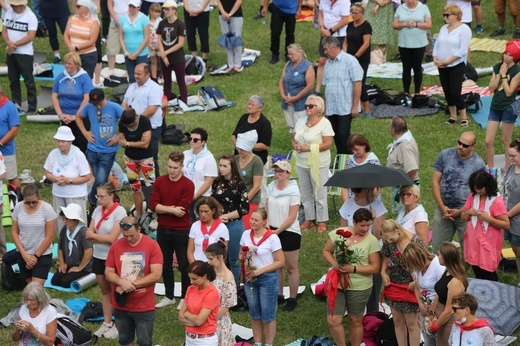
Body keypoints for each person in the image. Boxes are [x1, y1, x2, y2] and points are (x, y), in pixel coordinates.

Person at [322, 209, 381, 346]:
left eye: (368, 225)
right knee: (333, 320)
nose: (366, 229)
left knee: (355, 320)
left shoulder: (372, 241)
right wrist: (334, 263)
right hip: (337, 283)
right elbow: (326, 251)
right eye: (362, 225)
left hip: (360, 286)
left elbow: (375, 268)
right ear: (354, 222)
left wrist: (353, 269)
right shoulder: (339, 233)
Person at [105, 217, 163, 346]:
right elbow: (108, 272)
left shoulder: (152, 245)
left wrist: (130, 284)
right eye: (125, 236)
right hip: (121, 303)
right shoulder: (116, 245)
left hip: (143, 305)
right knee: (125, 340)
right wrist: (120, 281)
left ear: (139, 229)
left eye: (132, 235)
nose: (129, 239)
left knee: (144, 341)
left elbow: (156, 274)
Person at [150, 151, 195, 309]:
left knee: (184, 264)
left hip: (182, 230)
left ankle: (185, 295)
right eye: (169, 167)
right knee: (164, 263)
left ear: (182, 166)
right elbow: (153, 205)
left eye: (175, 167)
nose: (171, 170)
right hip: (163, 229)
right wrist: (171, 209)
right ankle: (169, 295)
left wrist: (163, 209)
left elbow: (182, 209)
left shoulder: (188, 184)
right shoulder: (160, 181)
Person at [431, 132, 485, 254]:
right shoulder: (445, 155)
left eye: (465, 145)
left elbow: (479, 193)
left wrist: (461, 211)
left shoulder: (478, 164)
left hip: (465, 213)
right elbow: (435, 181)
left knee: (468, 251)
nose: (460, 147)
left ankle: (459, 273)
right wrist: (442, 207)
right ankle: (441, 272)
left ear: (473, 146)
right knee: (437, 250)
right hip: (443, 211)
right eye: (459, 143)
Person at [85, 182, 127, 339]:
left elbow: (112, 239)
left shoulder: (119, 211)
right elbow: (89, 233)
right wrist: (96, 237)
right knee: (104, 290)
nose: (99, 199)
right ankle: (107, 322)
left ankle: (119, 323)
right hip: (99, 255)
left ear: (111, 196)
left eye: (102, 196)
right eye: (97, 196)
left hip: (114, 257)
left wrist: (95, 237)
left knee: (116, 290)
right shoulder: (97, 210)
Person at [240, 208, 284, 346]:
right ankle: (258, 342)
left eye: (256, 220)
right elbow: (240, 254)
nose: (252, 222)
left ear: (264, 222)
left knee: (268, 314)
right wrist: (244, 262)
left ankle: (269, 343)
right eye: (251, 219)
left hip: (267, 279)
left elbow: (280, 261)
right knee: (254, 313)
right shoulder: (246, 234)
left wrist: (260, 271)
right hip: (250, 279)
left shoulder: (272, 238)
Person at [76, 88, 124, 212]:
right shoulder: (89, 107)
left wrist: (118, 136)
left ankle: (92, 200)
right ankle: (96, 203)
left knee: (101, 180)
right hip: (92, 150)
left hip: (108, 152)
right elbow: (78, 117)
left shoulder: (114, 107)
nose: (97, 106)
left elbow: (128, 121)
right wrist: (85, 133)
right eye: (95, 104)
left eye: (100, 104)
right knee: (97, 178)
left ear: (105, 98)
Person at [456, 171, 509, 281]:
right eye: (476, 188)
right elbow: (463, 217)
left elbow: (506, 224)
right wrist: (468, 212)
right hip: (473, 241)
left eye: (481, 188)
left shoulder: (496, 201)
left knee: (488, 272)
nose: (478, 191)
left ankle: (494, 293)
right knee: (477, 269)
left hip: (488, 242)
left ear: (488, 186)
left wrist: (488, 219)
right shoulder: (473, 196)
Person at [293, 95, 334, 233]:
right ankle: (309, 219)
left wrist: (308, 148)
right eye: (306, 106)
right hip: (301, 162)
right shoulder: (301, 121)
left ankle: (322, 220)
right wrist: (296, 145)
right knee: (305, 192)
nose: (307, 108)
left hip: (319, 163)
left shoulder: (325, 123)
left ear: (319, 109)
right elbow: (294, 138)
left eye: (311, 106)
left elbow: (328, 144)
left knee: (319, 192)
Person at [381, 220, 425, 346]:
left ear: (397, 231)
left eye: (390, 239)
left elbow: (424, 264)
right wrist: (383, 272)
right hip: (395, 284)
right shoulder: (389, 241)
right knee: (397, 321)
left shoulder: (415, 241)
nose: (389, 242)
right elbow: (385, 257)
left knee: (412, 323)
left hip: (411, 286)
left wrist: (416, 282)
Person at [266, 160, 301, 312]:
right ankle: (279, 294)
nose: (278, 174)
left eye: (281, 171)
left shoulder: (294, 191)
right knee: (277, 266)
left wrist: (276, 231)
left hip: (289, 232)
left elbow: (292, 217)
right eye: (276, 171)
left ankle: (292, 298)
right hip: (272, 229)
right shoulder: (270, 187)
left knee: (291, 267)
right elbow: (266, 207)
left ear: (288, 174)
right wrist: (267, 225)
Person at [44, 126, 92, 235]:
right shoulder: (53, 154)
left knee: (77, 223)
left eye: (63, 141)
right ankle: (62, 246)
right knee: (61, 222)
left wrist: (69, 181)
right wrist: (56, 179)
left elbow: (87, 176)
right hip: (58, 194)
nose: (60, 144)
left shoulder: (78, 155)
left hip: (75, 195)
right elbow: (47, 172)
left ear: (70, 141)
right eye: (58, 141)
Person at [211, 153, 249, 286]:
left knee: (233, 259)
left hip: (233, 224)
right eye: (220, 165)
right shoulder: (217, 181)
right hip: (218, 223)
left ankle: (235, 288)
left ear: (232, 167)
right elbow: (212, 200)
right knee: (216, 257)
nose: (221, 168)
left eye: (225, 166)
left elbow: (244, 208)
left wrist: (226, 216)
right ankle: (217, 285)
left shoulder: (239, 184)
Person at [322, 36, 363, 155]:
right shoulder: (328, 63)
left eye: (326, 49)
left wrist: (355, 106)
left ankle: (348, 160)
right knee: (335, 134)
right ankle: (341, 159)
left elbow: (358, 84)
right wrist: (326, 109)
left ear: (334, 47)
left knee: (343, 134)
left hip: (345, 107)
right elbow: (327, 87)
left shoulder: (350, 61)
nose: (325, 52)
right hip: (332, 107)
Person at [121, 63, 164, 178]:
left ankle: (155, 184)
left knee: (150, 158)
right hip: (132, 127)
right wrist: (127, 116)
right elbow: (124, 103)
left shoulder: (154, 88)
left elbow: (152, 109)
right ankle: (138, 180)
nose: (136, 76)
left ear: (147, 74)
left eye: (139, 74)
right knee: (134, 155)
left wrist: (136, 121)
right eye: (135, 73)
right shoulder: (132, 86)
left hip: (151, 128)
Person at [433, 4, 472, 127]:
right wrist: (435, 58)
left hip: (455, 65)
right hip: (442, 65)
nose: (445, 17)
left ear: (456, 15)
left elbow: (462, 50)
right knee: (447, 91)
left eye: (447, 15)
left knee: (455, 92)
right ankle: (452, 115)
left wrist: (447, 61)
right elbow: (437, 44)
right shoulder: (443, 28)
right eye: (444, 15)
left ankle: (464, 116)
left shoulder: (464, 29)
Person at [11, 184, 57, 286]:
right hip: (24, 253)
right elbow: (14, 232)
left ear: (38, 197)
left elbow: (50, 237)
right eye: (27, 202)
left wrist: (35, 257)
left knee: (35, 288)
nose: (31, 205)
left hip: (42, 254)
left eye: (34, 202)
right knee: (31, 289)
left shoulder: (47, 209)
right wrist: (24, 254)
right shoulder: (18, 207)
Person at [401, 243, 445, 346]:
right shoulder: (418, 268)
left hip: (438, 308)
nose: (411, 268)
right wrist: (421, 305)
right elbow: (417, 286)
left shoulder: (438, 266)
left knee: (440, 341)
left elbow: (442, 290)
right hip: (425, 310)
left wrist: (431, 310)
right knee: (428, 341)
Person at [485, 41, 520, 168]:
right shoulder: (497, 67)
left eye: (510, 55)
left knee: (506, 140)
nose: (506, 57)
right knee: (488, 141)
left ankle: (507, 168)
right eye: (505, 53)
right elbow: (491, 88)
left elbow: (509, 91)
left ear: (515, 57)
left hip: (508, 108)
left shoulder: (517, 71)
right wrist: (500, 73)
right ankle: (490, 167)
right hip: (495, 107)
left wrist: (505, 76)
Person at [51, 52, 94, 153]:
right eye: (65, 63)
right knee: (67, 145)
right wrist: (60, 114)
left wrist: (77, 116)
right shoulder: (61, 77)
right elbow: (54, 95)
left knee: (82, 144)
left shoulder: (84, 77)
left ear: (76, 65)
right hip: (66, 117)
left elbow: (87, 98)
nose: (66, 65)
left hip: (81, 117)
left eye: (69, 64)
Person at [118, 108, 154, 221]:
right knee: (135, 189)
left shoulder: (144, 121)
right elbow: (121, 143)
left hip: (146, 157)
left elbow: (145, 144)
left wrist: (128, 143)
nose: (130, 127)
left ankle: (153, 213)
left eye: (132, 125)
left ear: (136, 118)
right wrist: (137, 142)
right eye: (128, 126)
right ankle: (139, 216)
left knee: (150, 186)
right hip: (130, 159)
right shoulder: (122, 123)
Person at [429, 242, 468, 345]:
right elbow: (439, 292)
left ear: (447, 257)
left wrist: (435, 326)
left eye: (440, 254)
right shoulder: (447, 271)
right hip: (440, 316)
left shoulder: (455, 281)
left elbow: (449, 310)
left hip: (449, 320)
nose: (438, 257)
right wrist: (432, 310)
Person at [2, 0, 38, 115]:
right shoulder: (9, 13)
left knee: (28, 80)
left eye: (14, 5)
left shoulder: (31, 17)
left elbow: (31, 36)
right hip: (11, 52)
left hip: (25, 53)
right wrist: (8, 42)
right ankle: (16, 105)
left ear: (21, 5)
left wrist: (15, 44)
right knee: (13, 80)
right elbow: (4, 29)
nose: (12, 7)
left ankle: (32, 106)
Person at [392, 0, 431, 95]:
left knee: (417, 67)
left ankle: (417, 92)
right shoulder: (401, 8)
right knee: (406, 68)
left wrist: (416, 24)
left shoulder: (423, 8)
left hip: (419, 44)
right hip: (404, 43)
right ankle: (406, 92)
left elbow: (428, 24)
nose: (410, 1)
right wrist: (404, 24)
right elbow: (394, 25)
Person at [179, 260, 220, 346]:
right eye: (190, 278)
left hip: (205, 340)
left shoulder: (212, 293)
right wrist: (195, 320)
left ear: (204, 276)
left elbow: (199, 321)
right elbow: (180, 315)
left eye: (194, 279)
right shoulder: (190, 289)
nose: (191, 281)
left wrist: (186, 313)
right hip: (189, 337)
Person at [52, 204, 93, 288]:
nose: (64, 221)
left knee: (65, 282)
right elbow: (60, 248)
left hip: (84, 267)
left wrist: (79, 268)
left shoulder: (83, 231)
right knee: (55, 281)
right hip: (69, 264)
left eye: (67, 218)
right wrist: (62, 263)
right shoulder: (64, 229)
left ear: (75, 219)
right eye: (63, 218)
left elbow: (88, 252)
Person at [182, 127, 218, 221]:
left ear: (203, 142)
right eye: (190, 139)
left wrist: (195, 196)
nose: (192, 141)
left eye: (195, 140)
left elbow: (209, 182)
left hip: (200, 197)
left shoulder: (209, 158)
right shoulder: (185, 154)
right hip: (185, 194)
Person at [205, 241, 237, 346]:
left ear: (220, 257)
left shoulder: (228, 277)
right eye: (208, 259)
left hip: (218, 318)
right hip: (206, 312)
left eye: (211, 259)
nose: (208, 262)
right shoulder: (211, 272)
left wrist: (209, 321)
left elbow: (225, 306)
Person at [314, 0, 349, 95]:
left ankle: (339, 87)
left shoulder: (344, 2)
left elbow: (345, 20)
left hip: (339, 35)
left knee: (338, 62)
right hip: (325, 33)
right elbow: (320, 13)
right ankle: (318, 89)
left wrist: (330, 30)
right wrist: (321, 27)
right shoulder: (324, 1)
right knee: (322, 61)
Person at [279, 43, 315, 133]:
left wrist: (296, 98)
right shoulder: (288, 64)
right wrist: (283, 95)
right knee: (291, 126)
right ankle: (295, 144)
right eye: (288, 54)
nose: (290, 56)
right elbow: (281, 80)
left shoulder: (308, 66)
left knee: (302, 126)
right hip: (287, 100)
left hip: (301, 102)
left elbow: (310, 86)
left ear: (300, 52)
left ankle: (303, 145)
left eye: (292, 54)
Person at [387, 117, 420, 214]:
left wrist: (403, 187)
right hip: (401, 185)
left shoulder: (405, 146)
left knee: (405, 215)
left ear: (393, 130)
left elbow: (413, 169)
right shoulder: (404, 139)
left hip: (406, 188)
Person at [157, 0, 188, 104]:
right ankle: (166, 102)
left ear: (174, 10)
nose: (166, 11)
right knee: (167, 81)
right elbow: (159, 40)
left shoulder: (180, 24)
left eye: (168, 9)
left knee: (180, 81)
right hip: (165, 58)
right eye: (165, 9)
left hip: (177, 57)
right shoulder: (162, 23)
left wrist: (165, 53)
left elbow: (180, 43)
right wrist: (163, 55)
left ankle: (184, 102)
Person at [345, 4, 372, 117]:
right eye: (352, 13)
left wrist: (355, 57)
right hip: (350, 57)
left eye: (355, 13)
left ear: (362, 13)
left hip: (361, 59)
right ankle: (355, 106)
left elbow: (366, 44)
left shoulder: (366, 26)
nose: (353, 15)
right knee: (349, 82)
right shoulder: (350, 25)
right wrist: (345, 55)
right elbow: (346, 41)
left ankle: (367, 110)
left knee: (360, 82)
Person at [231, 95, 272, 165]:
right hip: (239, 159)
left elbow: (265, 145)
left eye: (252, 105)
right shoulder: (244, 118)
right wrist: (238, 146)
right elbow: (234, 135)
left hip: (255, 162)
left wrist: (245, 146)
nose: (249, 106)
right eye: (249, 104)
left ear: (260, 108)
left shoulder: (264, 123)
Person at [63, 0, 100, 78]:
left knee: (85, 79)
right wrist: (70, 46)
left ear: (86, 9)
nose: (76, 8)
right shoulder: (72, 19)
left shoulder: (94, 22)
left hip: (88, 56)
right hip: (73, 54)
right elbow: (66, 34)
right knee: (71, 78)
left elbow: (92, 41)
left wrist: (76, 47)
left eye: (78, 6)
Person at [235, 131, 263, 230]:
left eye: (242, 149)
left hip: (250, 201)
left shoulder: (257, 161)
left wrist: (244, 201)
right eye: (238, 148)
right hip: (235, 200)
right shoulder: (235, 159)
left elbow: (256, 186)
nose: (240, 151)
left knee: (246, 228)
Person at [187, 197, 230, 263]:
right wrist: (194, 267)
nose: (203, 214)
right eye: (201, 211)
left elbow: (223, 254)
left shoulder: (222, 228)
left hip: (214, 265)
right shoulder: (195, 225)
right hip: (197, 264)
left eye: (206, 211)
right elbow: (190, 250)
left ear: (213, 211)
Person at [341, 133, 380, 201]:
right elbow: (344, 185)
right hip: (352, 202)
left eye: (357, 149)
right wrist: (347, 204)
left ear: (364, 145)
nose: (354, 152)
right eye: (352, 150)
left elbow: (376, 188)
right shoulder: (349, 161)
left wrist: (364, 203)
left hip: (369, 201)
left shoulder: (373, 161)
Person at [119, 0, 150, 83]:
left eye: (133, 7)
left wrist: (137, 53)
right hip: (128, 53)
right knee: (132, 77)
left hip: (141, 52)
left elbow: (146, 38)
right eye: (130, 6)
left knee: (142, 76)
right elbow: (121, 37)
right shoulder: (123, 18)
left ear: (138, 8)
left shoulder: (144, 18)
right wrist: (125, 52)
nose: (131, 9)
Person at [261, 0, 301, 64]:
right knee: (275, 32)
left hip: (291, 10)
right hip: (277, 8)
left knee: (290, 33)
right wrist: (265, 6)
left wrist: (299, 9)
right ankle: (275, 54)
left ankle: (289, 54)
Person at [504, 139, 520, 282]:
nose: (510, 158)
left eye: (513, 155)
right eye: (509, 155)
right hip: (508, 218)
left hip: (517, 220)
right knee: (515, 250)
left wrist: (507, 215)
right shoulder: (510, 168)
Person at [0, 84, 21, 188]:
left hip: (6, 149)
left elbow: (14, 131)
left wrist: (0, 143)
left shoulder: (10, 107)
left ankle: (17, 199)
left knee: (11, 176)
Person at [216, 0, 243, 73]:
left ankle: (237, 64)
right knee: (227, 40)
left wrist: (230, 14)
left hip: (236, 15)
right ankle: (230, 64)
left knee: (236, 40)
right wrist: (223, 12)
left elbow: (239, 1)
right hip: (222, 15)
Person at [364, 0, 393, 64]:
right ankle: (365, 55)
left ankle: (381, 56)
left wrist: (380, 4)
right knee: (367, 29)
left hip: (385, 7)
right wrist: (378, 1)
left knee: (383, 32)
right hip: (372, 5)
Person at [183, 0, 211, 65]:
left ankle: (204, 56)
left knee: (203, 33)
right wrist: (187, 8)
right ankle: (194, 56)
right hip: (188, 10)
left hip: (203, 11)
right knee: (190, 33)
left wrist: (201, 9)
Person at [106, 0, 129, 74]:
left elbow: (135, 4)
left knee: (129, 47)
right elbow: (110, 5)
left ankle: (129, 71)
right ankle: (111, 70)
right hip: (115, 21)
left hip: (129, 21)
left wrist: (125, 19)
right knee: (111, 46)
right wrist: (116, 19)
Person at [148, 3, 163, 81]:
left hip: (158, 43)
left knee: (162, 60)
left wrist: (158, 46)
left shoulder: (161, 21)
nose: (157, 14)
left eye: (159, 12)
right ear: (151, 11)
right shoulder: (146, 20)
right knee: (153, 61)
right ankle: (154, 77)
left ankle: (164, 77)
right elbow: (145, 34)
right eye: (156, 12)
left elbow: (162, 34)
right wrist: (149, 45)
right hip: (150, 43)